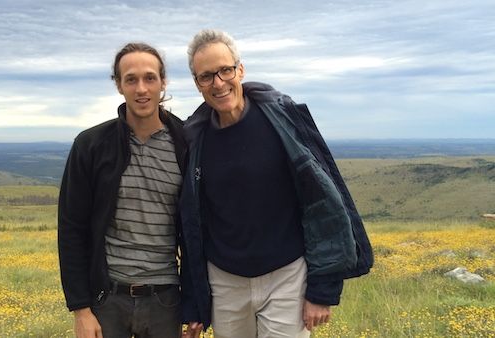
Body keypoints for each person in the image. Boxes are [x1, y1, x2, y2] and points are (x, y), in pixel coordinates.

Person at [180, 29, 374, 338]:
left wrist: (322, 290)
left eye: (225, 71)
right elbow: (193, 226)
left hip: (287, 277)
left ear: (239, 69)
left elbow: (322, 203)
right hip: (225, 281)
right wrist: (193, 305)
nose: (218, 83)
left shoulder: (284, 122)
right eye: (206, 76)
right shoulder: (194, 138)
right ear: (197, 83)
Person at [58, 42, 186, 338]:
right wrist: (81, 310)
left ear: (163, 82)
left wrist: (194, 305)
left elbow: (198, 229)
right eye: (131, 79)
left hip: (166, 301)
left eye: (150, 78)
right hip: (107, 300)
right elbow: (71, 228)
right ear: (119, 85)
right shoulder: (91, 145)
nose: (141, 88)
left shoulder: (186, 143)